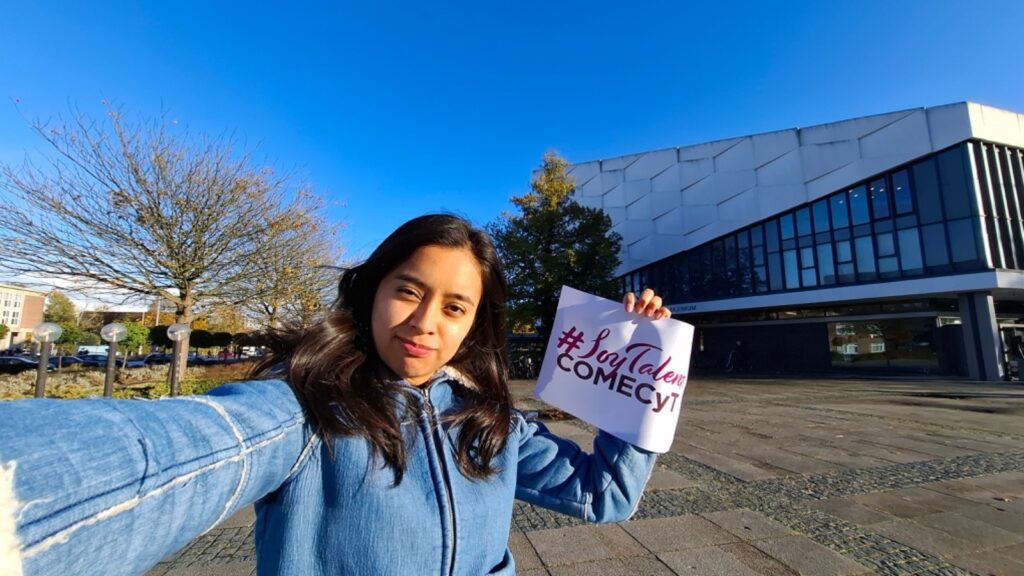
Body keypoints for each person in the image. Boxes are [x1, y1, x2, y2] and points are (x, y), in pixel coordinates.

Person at [0, 214, 673, 576]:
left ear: (474, 324)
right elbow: (195, 447)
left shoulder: (492, 422)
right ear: (373, 291)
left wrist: (643, 369)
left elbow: (603, 495)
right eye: (409, 291)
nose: (425, 322)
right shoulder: (307, 407)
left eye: (454, 306)